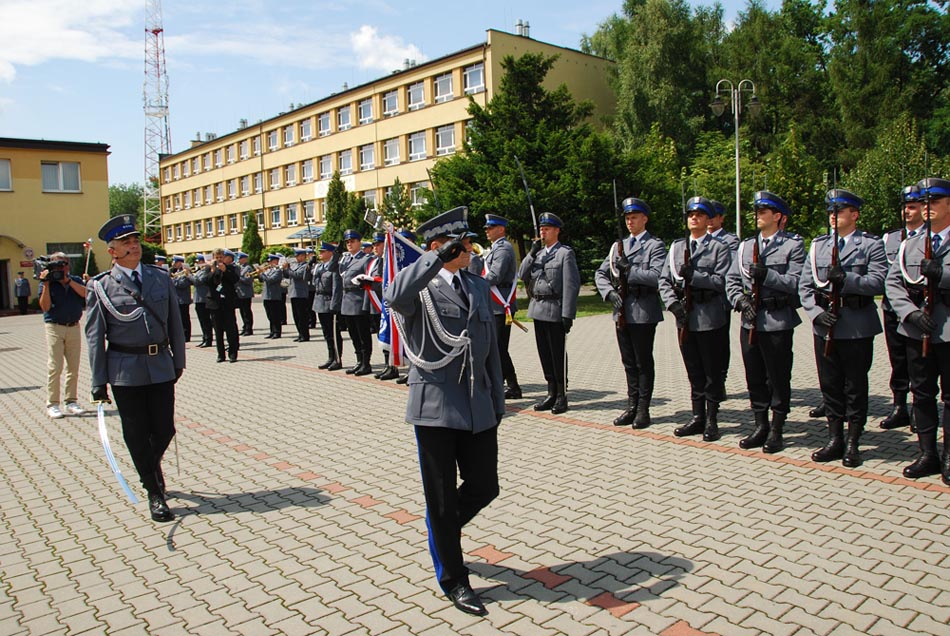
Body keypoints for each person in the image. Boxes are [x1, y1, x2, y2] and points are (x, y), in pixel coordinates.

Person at [384, 206, 504, 618]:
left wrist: (497, 400)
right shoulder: (420, 287)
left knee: (485, 485)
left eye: (469, 242)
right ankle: (454, 578)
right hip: (434, 406)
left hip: (476, 404)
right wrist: (432, 258)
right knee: (440, 497)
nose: (470, 249)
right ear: (440, 247)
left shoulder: (475, 284)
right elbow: (393, 295)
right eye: (463, 244)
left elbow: (488, 348)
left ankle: (441, 530)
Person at [85, 215, 185, 522]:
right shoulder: (101, 287)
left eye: (135, 241)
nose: (134, 246)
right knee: (137, 433)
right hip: (124, 370)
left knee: (165, 428)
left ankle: (148, 469)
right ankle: (154, 491)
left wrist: (178, 361)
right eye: (126, 243)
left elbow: (175, 324)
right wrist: (98, 381)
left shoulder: (160, 278)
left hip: (159, 365)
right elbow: (94, 336)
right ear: (112, 251)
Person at [800, 188, 886, 468]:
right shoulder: (819, 245)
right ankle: (834, 438)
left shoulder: (870, 245)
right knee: (830, 385)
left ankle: (853, 441)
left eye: (838, 211)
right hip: (825, 325)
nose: (833, 216)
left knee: (855, 386)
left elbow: (878, 282)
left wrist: (847, 279)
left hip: (856, 323)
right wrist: (815, 314)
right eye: (830, 212)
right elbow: (805, 286)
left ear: (855, 214)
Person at [726, 191, 805, 453]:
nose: (758, 215)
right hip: (750, 320)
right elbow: (732, 279)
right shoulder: (746, 246)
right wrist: (740, 301)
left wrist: (768, 275)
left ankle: (777, 428)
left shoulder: (793, 245)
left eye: (763, 211)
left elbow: (796, 283)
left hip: (777, 320)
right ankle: (760, 425)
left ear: (778, 216)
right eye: (757, 211)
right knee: (755, 376)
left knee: (778, 377)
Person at [885, 177, 950, 484]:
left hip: (948, 329)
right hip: (916, 331)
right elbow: (893, 283)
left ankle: (949, 455)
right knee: (921, 393)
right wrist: (909, 314)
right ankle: (927, 453)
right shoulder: (910, 244)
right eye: (924, 203)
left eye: (934, 202)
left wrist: (944, 274)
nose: (927, 209)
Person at [659, 197, 732, 440]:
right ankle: (697, 416)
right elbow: (664, 280)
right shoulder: (677, 247)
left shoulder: (719, 248)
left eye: (700, 214)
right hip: (685, 316)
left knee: (711, 370)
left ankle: (712, 419)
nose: (694, 218)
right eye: (690, 214)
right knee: (693, 369)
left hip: (709, 315)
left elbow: (722, 282)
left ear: (708, 220)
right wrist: (672, 304)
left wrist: (696, 276)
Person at [594, 197, 666, 429]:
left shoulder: (655, 245)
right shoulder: (619, 247)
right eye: (627, 218)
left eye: (634, 217)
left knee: (643, 361)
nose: (630, 221)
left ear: (644, 219)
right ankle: (632, 405)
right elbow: (601, 273)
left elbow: (658, 275)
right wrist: (608, 294)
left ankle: (643, 408)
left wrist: (631, 271)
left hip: (643, 309)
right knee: (628, 362)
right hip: (622, 309)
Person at [518, 213, 581, 414]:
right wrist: (531, 253)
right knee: (544, 354)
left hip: (555, 309)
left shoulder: (565, 253)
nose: (543, 232)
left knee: (557, 355)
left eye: (547, 229)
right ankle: (551, 393)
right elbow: (522, 274)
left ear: (556, 231)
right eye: (541, 229)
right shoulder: (538, 253)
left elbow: (571, 285)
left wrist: (568, 314)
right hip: (538, 309)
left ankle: (562, 395)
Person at [879, 185, 926, 431]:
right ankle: (899, 406)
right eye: (904, 207)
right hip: (892, 308)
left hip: (919, 310)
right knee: (897, 358)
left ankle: (921, 408)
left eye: (912, 207)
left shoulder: (930, 237)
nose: (907, 212)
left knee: (919, 362)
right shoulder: (890, 238)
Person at [477, 214, 522, 399]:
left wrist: (474, 281)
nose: (487, 230)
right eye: (487, 228)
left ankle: (512, 386)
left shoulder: (503, 249)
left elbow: (495, 276)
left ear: (501, 229)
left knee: (498, 348)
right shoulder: (494, 248)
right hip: (493, 304)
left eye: (491, 227)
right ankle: (507, 384)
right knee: (497, 348)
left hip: (500, 305)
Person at [38, 252, 88, 419]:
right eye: (57, 265)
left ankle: (71, 401)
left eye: (64, 264)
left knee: (73, 367)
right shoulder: (47, 282)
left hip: (73, 326)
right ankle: (52, 404)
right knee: (55, 366)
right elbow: (45, 307)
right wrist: (46, 284)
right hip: (54, 326)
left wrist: (68, 281)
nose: (61, 267)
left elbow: (86, 294)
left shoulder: (75, 280)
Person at [340, 229, 373, 375]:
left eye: (352, 241)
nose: (349, 244)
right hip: (347, 300)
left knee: (363, 333)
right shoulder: (346, 260)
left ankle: (366, 363)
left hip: (359, 300)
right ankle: (359, 360)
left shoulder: (366, 259)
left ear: (359, 242)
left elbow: (369, 279)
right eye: (347, 242)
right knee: (353, 333)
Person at [312, 242, 344, 369]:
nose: (320, 253)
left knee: (334, 333)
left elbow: (337, 287)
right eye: (320, 251)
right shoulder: (319, 267)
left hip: (329, 302)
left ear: (331, 253)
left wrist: (335, 305)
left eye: (323, 251)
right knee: (326, 333)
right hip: (319, 302)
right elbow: (312, 282)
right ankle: (330, 357)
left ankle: (337, 358)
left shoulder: (334, 267)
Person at [208, 248, 241, 362]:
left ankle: (232, 353)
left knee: (230, 329)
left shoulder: (231, 268)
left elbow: (235, 279)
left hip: (228, 302)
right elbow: (206, 282)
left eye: (221, 257)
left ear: (224, 257)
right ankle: (220, 354)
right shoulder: (210, 269)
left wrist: (225, 270)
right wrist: (212, 271)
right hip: (215, 303)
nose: (219, 259)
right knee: (218, 331)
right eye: (216, 258)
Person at [284, 248, 312, 342]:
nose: (296, 258)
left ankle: (305, 335)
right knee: (296, 316)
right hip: (293, 293)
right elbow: (287, 275)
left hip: (301, 294)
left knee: (302, 316)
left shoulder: (305, 266)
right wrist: (285, 269)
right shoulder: (296, 265)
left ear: (303, 256)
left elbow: (297, 275)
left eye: (297, 256)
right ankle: (300, 334)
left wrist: (287, 269)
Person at [260, 254, 286, 339]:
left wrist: (263, 273)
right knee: (270, 315)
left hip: (274, 296)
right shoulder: (269, 270)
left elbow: (270, 280)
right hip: (266, 296)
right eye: (269, 262)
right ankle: (272, 331)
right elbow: (262, 279)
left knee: (275, 315)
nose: (269, 263)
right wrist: (260, 273)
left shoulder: (278, 271)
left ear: (276, 261)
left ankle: (277, 332)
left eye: (271, 261)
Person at [192, 254, 214, 348]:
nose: (197, 264)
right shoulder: (200, 271)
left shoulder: (206, 271)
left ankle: (208, 339)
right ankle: (204, 338)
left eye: (199, 262)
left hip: (203, 299)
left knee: (206, 320)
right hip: (198, 299)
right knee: (202, 320)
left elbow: (198, 282)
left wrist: (189, 275)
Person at [170, 256, 193, 342]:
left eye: (175, 262)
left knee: (185, 318)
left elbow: (182, 284)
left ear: (180, 263)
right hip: (178, 299)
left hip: (183, 299)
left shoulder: (186, 272)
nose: (173, 264)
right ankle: (182, 334)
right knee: (180, 318)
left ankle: (187, 336)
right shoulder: (178, 272)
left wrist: (172, 280)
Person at [235, 252, 255, 336]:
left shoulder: (248, 268)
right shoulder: (239, 267)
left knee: (246, 312)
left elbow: (248, 280)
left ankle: (248, 328)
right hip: (240, 293)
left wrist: (238, 278)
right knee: (242, 312)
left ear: (245, 259)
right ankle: (244, 326)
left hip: (246, 293)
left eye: (240, 258)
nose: (238, 260)